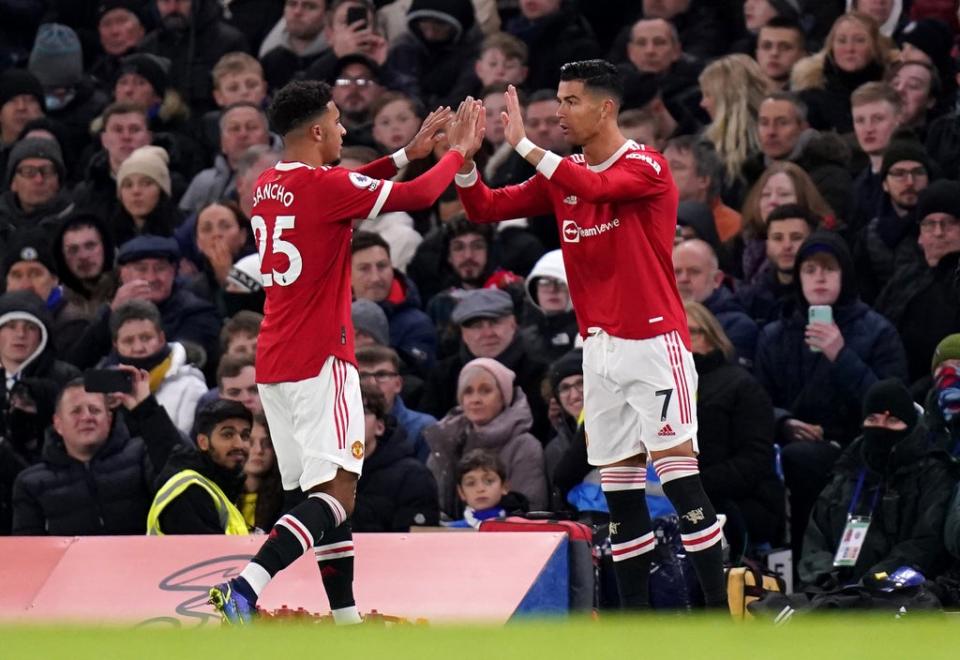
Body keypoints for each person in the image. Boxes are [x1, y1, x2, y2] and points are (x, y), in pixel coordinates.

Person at [208, 79, 483, 624]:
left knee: (323, 501)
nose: (344, 128)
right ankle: (245, 586)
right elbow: (422, 196)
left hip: (274, 361)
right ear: (315, 130)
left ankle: (346, 623)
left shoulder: (267, 184)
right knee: (338, 493)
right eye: (336, 121)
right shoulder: (325, 188)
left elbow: (345, 185)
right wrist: (457, 153)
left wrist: (408, 153)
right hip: (320, 358)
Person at [455, 59, 727, 608]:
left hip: (653, 343)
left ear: (606, 108)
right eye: (558, 100)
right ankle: (634, 626)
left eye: (571, 101)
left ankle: (720, 617)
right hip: (597, 348)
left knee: (679, 480)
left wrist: (528, 147)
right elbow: (484, 207)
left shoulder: (647, 166)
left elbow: (593, 183)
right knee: (618, 493)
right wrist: (464, 161)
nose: (560, 112)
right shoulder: (564, 174)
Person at [754, 230, 908, 558]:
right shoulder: (775, 334)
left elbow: (893, 404)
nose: (819, 278)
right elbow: (757, 401)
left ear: (845, 275)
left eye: (829, 268)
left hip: (858, 446)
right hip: (790, 448)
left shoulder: (878, 331)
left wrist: (841, 356)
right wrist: (785, 422)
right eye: (809, 270)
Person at [799, 378, 956, 589]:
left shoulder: (933, 472)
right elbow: (816, 538)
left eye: (892, 421)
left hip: (902, 596)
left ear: (908, 424)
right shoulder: (849, 469)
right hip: (836, 595)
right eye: (872, 419)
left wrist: (875, 580)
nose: (880, 428)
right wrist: (827, 578)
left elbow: (926, 543)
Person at [12, 368, 182, 535]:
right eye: (76, 411)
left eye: (95, 410)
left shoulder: (142, 454)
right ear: (58, 424)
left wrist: (147, 408)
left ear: (109, 418)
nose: (86, 417)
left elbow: (183, 471)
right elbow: (28, 552)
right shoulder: (31, 483)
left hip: (145, 560)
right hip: (73, 563)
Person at [684, 302, 784, 561]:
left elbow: (754, 461)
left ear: (712, 337)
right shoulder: (660, 388)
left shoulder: (741, 386)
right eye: (673, 334)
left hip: (738, 502)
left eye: (690, 332)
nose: (681, 341)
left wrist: (695, 486)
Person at [425, 357, 546, 517]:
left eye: (485, 390)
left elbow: (530, 509)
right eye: (468, 392)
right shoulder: (444, 441)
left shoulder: (524, 446)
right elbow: (431, 506)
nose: (475, 399)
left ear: (503, 397)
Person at [147, 399, 253, 535]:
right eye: (228, 434)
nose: (239, 444)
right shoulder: (188, 490)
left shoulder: (219, 486)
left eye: (245, 436)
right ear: (203, 442)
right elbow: (208, 555)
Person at [105, 300, 207, 437]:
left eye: (146, 338)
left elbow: (184, 449)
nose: (138, 348)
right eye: (128, 341)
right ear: (115, 345)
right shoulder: (105, 382)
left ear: (161, 338)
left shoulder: (191, 386)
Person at [352, 383, 439, 532]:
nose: (352, 419)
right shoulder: (314, 472)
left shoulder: (413, 476)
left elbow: (416, 543)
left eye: (363, 411)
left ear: (380, 426)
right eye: (345, 411)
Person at [355, 344, 435, 462]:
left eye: (381, 375)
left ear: (398, 384)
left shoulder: (424, 428)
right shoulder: (336, 428)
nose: (372, 383)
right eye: (363, 376)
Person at [445, 449, 528, 528]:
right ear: (461, 492)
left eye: (489, 481)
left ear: (504, 487)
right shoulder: (449, 531)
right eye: (471, 483)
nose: (480, 489)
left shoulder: (518, 526)